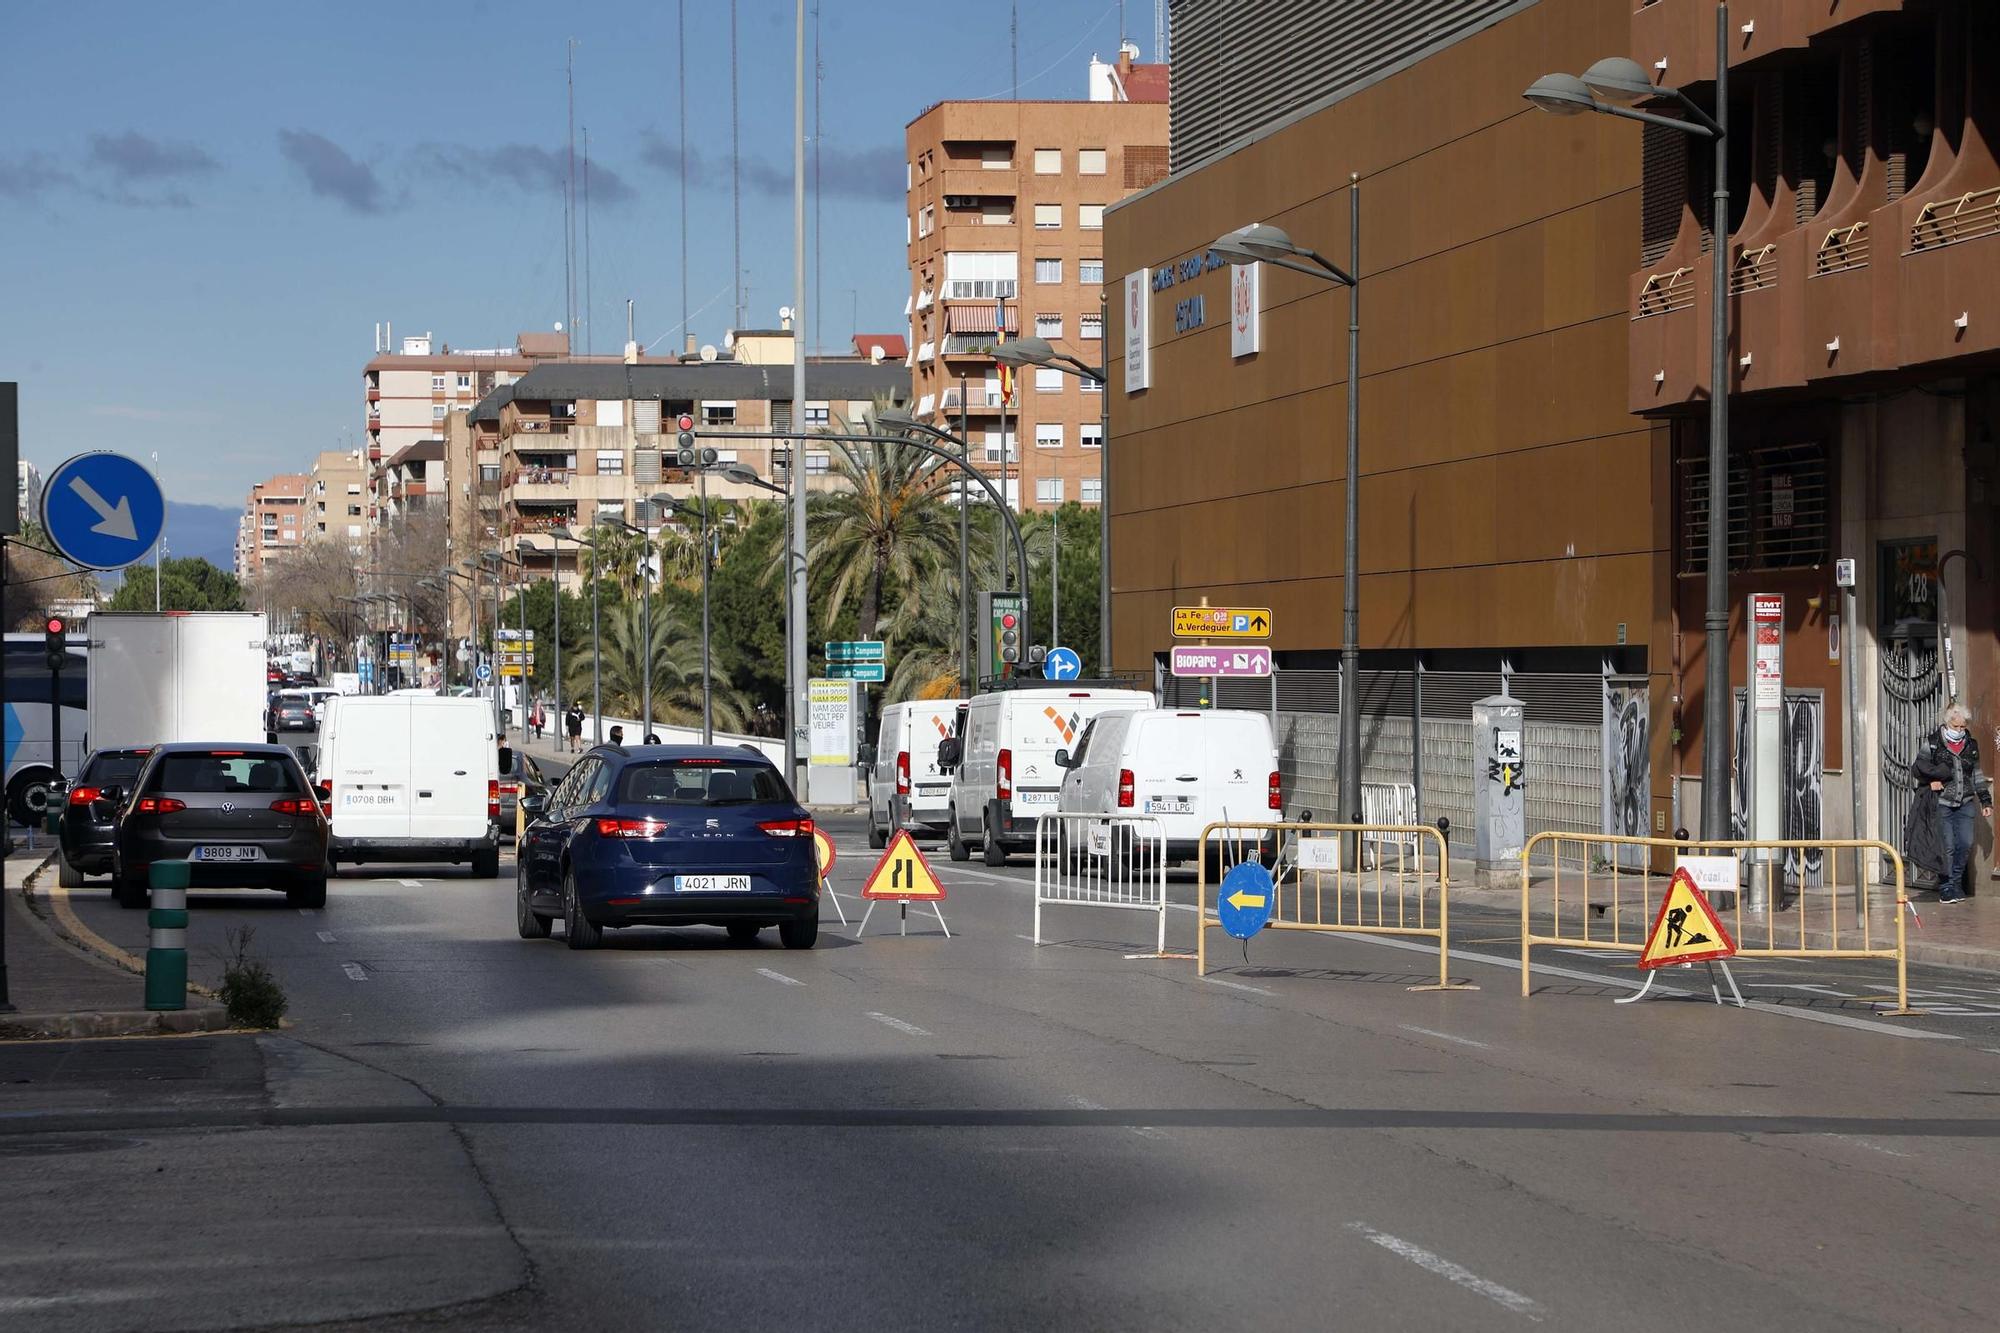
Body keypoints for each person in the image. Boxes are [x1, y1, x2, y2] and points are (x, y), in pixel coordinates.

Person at [1909, 703, 1992, 904]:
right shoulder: (1933, 743)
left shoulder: (1970, 745)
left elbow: (1977, 774)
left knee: (1964, 843)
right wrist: (1931, 781)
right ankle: (1946, 887)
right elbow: (1917, 769)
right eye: (1957, 727)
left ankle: (1955, 883)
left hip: (1965, 802)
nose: (1961, 731)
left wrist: (1985, 801)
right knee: (1947, 846)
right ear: (1948, 724)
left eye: (1963, 727)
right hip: (1942, 803)